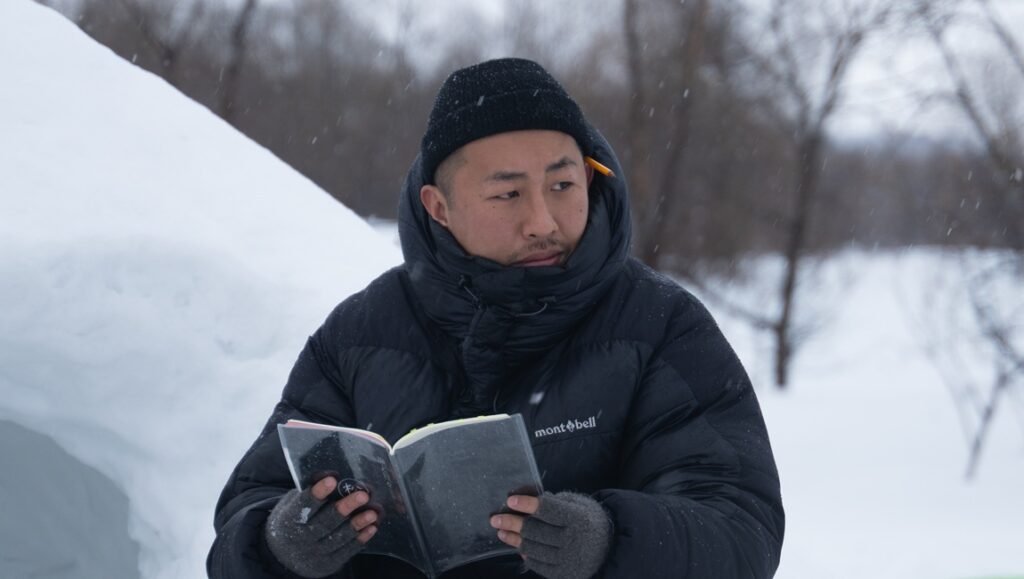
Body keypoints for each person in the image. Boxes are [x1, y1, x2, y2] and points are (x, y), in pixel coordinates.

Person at [207, 57, 784, 579]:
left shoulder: (660, 325)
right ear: (440, 207)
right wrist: (280, 544)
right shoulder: (359, 335)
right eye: (508, 195)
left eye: (562, 185)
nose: (542, 220)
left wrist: (610, 539)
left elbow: (742, 533)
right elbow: (244, 521)